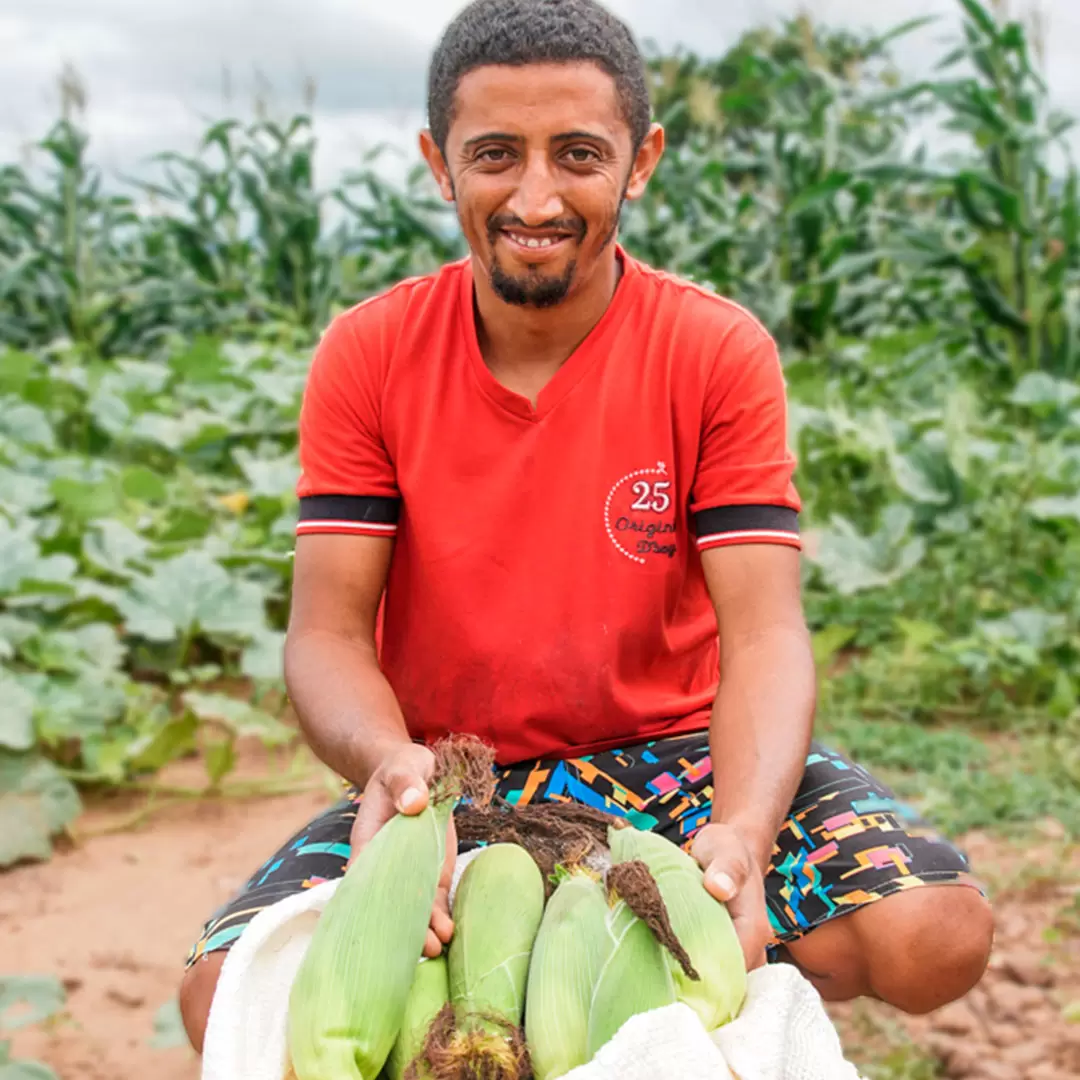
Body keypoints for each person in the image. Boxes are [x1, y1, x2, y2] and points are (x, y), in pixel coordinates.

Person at [179, 0, 993, 1053]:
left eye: (576, 155)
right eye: (494, 155)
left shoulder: (713, 350)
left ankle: (636, 970)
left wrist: (740, 835)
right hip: (449, 772)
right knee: (224, 999)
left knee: (935, 933)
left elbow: (763, 634)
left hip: (678, 755)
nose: (535, 196)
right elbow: (328, 631)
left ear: (641, 160)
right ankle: (549, 975)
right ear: (438, 163)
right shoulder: (370, 352)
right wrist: (388, 764)